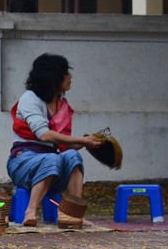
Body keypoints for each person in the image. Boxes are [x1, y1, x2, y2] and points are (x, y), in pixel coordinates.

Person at [7, 53, 102, 226]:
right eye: (65, 72)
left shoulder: (62, 104)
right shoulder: (29, 99)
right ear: (52, 77)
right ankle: (30, 210)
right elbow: (44, 134)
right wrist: (82, 140)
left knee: (72, 155)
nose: (70, 77)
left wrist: (89, 142)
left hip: (53, 165)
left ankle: (73, 213)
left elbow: (65, 145)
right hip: (23, 162)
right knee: (52, 158)